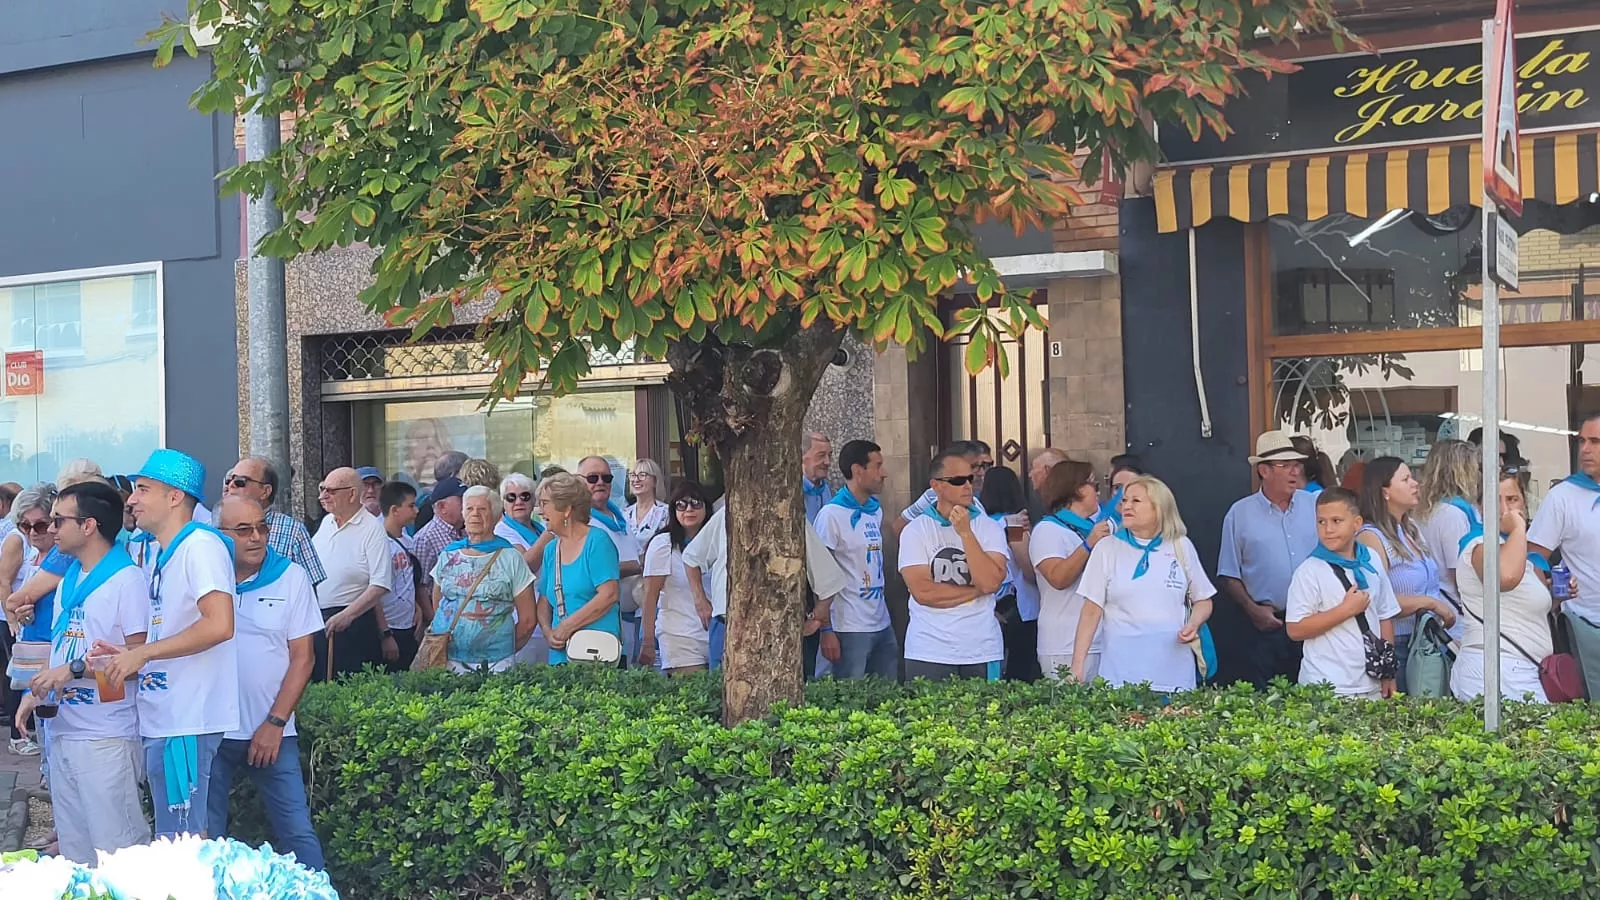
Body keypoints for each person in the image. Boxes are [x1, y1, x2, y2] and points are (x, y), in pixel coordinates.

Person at [98, 449, 238, 839]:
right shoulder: (167, 551)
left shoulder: (200, 546)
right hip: (169, 715)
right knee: (175, 836)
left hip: (187, 719)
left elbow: (220, 624)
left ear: (175, 496)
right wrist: (131, 655)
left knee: (183, 842)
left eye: (143, 489)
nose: (131, 500)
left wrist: (143, 652)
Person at [13, 482, 148, 863]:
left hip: (106, 737)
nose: (51, 528)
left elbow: (139, 661)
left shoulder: (127, 580)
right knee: (76, 856)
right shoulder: (71, 576)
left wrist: (73, 672)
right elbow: (65, 644)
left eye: (59, 520)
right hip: (64, 730)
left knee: (118, 855)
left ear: (89, 526)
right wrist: (37, 690)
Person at [206, 496, 326, 869]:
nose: (256, 537)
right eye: (244, 530)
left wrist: (275, 723)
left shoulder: (291, 577)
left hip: (273, 732)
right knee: (205, 839)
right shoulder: (204, 577)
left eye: (262, 527)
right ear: (218, 534)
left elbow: (304, 658)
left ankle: (316, 893)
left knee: (298, 834)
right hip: (211, 731)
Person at [1072, 475, 1214, 691]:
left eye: (1136, 501)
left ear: (1159, 508)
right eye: (1125, 500)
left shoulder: (1181, 545)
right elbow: (1091, 611)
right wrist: (1077, 665)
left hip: (1174, 677)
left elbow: (1203, 599)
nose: (1126, 506)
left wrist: (1193, 624)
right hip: (1120, 678)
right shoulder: (1107, 548)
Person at [1217, 431, 1319, 689]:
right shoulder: (1239, 514)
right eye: (1285, 465)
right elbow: (1229, 573)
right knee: (1267, 698)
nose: (1295, 472)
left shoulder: (1315, 505)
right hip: (1267, 626)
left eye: (1297, 465)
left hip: (1314, 622)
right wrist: (1253, 610)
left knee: (1315, 697)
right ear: (1264, 470)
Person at [898, 449, 1009, 681]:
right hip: (929, 649)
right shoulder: (915, 530)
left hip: (982, 649)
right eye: (958, 481)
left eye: (970, 478)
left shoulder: (989, 527)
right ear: (936, 486)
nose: (968, 486)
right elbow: (924, 592)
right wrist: (977, 591)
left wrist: (966, 533)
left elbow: (990, 582)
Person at [1284, 488, 1401, 699]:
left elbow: (1385, 615)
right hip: (1327, 687)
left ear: (1356, 523)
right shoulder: (1309, 570)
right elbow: (1295, 629)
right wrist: (1346, 610)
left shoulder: (1371, 559)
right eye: (1321, 522)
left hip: (1372, 685)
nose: (1328, 529)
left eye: (1336, 521)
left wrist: (1388, 672)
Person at [1355, 457, 1459, 688]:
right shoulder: (1371, 537)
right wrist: (1430, 603)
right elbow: (1375, 598)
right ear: (1385, 492)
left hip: (1425, 639)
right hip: (1399, 643)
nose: (1415, 484)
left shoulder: (1411, 530)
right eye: (1406, 479)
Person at [1454, 471, 1554, 704]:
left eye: (1512, 499)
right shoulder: (1479, 544)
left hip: (1521, 667)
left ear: (1524, 503)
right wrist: (1518, 528)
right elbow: (1505, 577)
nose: (1504, 510)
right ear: (1480, 507)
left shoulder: (1516, 549)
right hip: (1497, 666)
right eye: (1494, 501)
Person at [425, 487, 537, 672]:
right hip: (448, 658)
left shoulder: (511, 557)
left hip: (497, 662)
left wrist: (504, 650)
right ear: (463, 514)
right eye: (469, 509)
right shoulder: (448, 554)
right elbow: (438, 602)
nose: (475, 514)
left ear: (495, 516)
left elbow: (528, 619)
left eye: (482, 509)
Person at [812, 440, 897, 681]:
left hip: (881, 620)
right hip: (847, 626)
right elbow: (820, 575)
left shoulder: (874, 510)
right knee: (848, 695)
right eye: (877, 466)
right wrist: (826, 629)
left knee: (886, 693)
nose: (884, 473)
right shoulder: (831, 515)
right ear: (858, 470)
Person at [309, 467, 394, 680]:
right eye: (322, 489)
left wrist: (347, 615)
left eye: (330, 491)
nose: (322, 496)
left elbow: (380, 583)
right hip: (320, 619)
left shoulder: (372, 529)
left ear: (352, 494)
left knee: (348, 686)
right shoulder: (327, 522)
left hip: (353, 622)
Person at [1031, 460, 1113, 681]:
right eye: (1094, 485)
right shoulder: (1047, 530)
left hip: (1102, 640)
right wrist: (1088, 545)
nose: (1099, 493)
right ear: (1076, 489)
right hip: (1063, 644)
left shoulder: (1091, 528)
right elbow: (1058, 578)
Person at [536, 473, 623, 666]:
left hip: (597, 653)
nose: (540, 512)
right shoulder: (551, 549)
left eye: (545, 503)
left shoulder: (597, 541)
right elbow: (544, 601)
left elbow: (609, 595)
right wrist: (548, 632)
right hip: (560, 654)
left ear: (567, 509)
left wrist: (568, 626)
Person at [2, 484, 62, 756]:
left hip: (53, 653)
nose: (32, 532)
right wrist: (18, 617)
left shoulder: (61, 558)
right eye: (25, 526)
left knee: (55, 731)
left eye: (39, 525)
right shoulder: (32, 553)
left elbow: (16, 599)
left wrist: (16, 610)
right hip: (34, 651)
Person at [1530, 413, 1600, 626]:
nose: (1585, 449)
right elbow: (1532, 558)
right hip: (1586, 625)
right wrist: (1550, 601)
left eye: (1595, 441)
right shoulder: (1562, 497)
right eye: (1582, 441)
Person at [639, 481, 713, 674]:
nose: (689, 509)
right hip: (679, 635)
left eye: (696, 503)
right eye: (681, 504)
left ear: (706, 507)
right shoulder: (663, 544)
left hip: (717, 634)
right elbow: (650, 596)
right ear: (673, 510)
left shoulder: (718, 540)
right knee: (692, 691)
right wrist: (647, 641)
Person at [576, 456, 643, 658]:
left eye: (606, 478)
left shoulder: (620, 517)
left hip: (631, 619)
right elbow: (587, 571)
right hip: (600, 623)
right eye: (592, 478)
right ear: (578, 481)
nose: (600, 483)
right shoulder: (580, 522)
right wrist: (636, 566)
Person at [222, 457, 327, 586]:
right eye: (229, 480)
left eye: (240, 481)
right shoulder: (211, 527)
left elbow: (310, 586)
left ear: (265, 491)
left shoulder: (293, 531)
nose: (231, 486)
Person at [978, 466, 1040, 682]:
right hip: (1021, 610)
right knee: (1020, 673)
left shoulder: (980, 525)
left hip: (991, 607)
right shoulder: (1014, 523)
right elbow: (1028, 567)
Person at [1416, 439, 1483, 598]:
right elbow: (1459, 572)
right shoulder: (1453, 515)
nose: (1478, 474)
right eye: (1475, 468)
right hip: (1455, 601)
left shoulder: (1428, 509)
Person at [890, 441, 989, 539]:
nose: (981, 472)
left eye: (985, 466)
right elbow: (899, 526)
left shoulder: (977, 503)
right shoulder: (933, 495)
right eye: (975, 467)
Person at [379, 482, 423, 671]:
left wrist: (417, 606)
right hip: (389, 625)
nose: (416, 510)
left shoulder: (409, 541)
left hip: (408, 624)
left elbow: (410, 581)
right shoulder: (379, 544)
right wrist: (385, 634)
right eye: (411, 506)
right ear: (394, 510)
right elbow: (373, 592)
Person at [412, 476, 467, 599]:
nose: (467, 505)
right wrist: (433, 612)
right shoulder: (425, 539)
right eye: (462, 500)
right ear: (442, 507)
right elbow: (420, 586)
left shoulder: (465, 531)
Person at [412, 451, 469, 535]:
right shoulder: (429, 504)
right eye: (466, 472)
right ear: (453, 474)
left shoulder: (426, 495)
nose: (468, 477)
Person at [624, 459, 670, 547]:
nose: (636, 480)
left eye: (642, 475)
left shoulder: (666, 513)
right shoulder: (624, 514)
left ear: (655, 481)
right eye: (633, 475)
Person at [495, 473, 544, 549]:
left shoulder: (540, 526)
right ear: (503, 503)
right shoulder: (501, 531)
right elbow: (523, 557)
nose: (518, 502)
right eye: (511, 497)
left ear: (534, 500)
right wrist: (549, 534)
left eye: (525, 496)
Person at [800, 433, 833, 524]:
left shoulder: (825, 489)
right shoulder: (793, 491)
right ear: (802, 457)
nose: (827, 462)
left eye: (829, 455)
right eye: (821, 455)